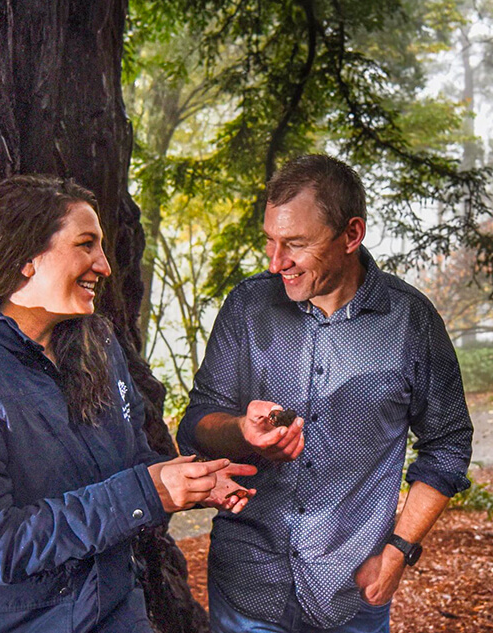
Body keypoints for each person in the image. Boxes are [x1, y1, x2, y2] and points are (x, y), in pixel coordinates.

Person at [0, 175, 255, 633]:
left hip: (109, 611)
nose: (104, 265)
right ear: (26, 257)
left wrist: (195, 480)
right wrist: (148, 490)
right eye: (86, 244)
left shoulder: (96, 346)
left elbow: (131, 465)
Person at [178, 155, 474, 632]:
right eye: (270, 242)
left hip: (351, 596)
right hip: (246, 586)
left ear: (351, 235)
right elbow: (196, 424)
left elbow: (448, 444)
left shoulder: (411, 322)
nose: (277, 263)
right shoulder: (248, 306)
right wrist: (241, 432)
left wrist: (399, 551)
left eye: (295, 244)